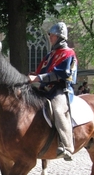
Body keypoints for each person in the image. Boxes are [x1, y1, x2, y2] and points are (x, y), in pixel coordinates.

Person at [28, 22, 77, 161]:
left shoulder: (68, 54)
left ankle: (67, 147)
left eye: (53, 35)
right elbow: (41, 72)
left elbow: (62, 74)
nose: (50, 38)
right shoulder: (50, 55)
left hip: (60, 89)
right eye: (50, 35)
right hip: (44, 88)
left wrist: (38, 77)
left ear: (61, 37)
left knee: (57, 108)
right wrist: (30, 76)